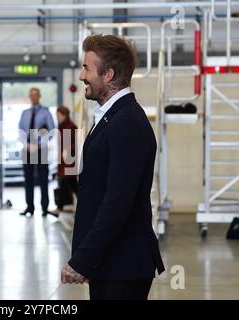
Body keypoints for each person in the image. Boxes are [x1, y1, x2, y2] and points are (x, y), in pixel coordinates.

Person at [61, 34, 165, 300]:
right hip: (111, 263)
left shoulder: (126, 123)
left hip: (123, 265)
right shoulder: (112, 118)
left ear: (108, 75)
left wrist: (83, 259)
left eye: (86, 68)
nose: (82, 76)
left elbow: (117, 202)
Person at [18, 88, 56, 217]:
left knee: (43, 178)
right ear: (30, 97)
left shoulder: (46, 112)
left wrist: (39, 144)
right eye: (31, 95)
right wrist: (27, 145)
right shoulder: (25, 113)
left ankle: (45, 208)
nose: (33, 97)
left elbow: (51, 131)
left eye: (35, 95)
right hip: (27, 149)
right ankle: (29, 207)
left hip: (41, 149)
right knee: (28, 179)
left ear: (39, 96)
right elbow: (21, 131)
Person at [52, 106, 78, 216]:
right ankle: (59, 208)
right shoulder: (61, 126)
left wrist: (68, 149)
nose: (57, 117)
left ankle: (58, 208)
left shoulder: (71, 126)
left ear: (64, 115)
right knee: (72, 184)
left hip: (69, 161)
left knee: (66, 183)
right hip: (64, 161)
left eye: (58, 115)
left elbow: (76, 143)